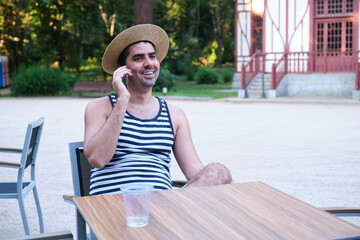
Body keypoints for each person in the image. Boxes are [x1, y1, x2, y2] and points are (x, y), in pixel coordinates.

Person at [83, 24, 232, 196]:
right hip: (114, 208)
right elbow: (97, 159)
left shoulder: (174, 115)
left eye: (152, 56)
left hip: (163, 209)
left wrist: (221, 179)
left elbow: (194, 171)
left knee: (219, 171)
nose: (149, 63)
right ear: (123, 69)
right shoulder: (100, 107)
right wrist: (122, 100)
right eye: (138, 58)